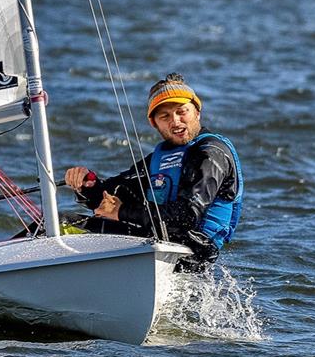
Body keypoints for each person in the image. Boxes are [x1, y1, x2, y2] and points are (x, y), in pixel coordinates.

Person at [63, 73, 243, 271]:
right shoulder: (161, 158)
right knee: (59, 223)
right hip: (157, 241)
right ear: (154, 123)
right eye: (165, 116)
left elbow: (187, 215)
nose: (175, 121)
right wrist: (88, 186)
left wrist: (121, 212)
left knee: (63, 226)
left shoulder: (210, 154)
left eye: (182, 112)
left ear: (197, 112)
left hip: (191, 252)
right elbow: (110, 197)